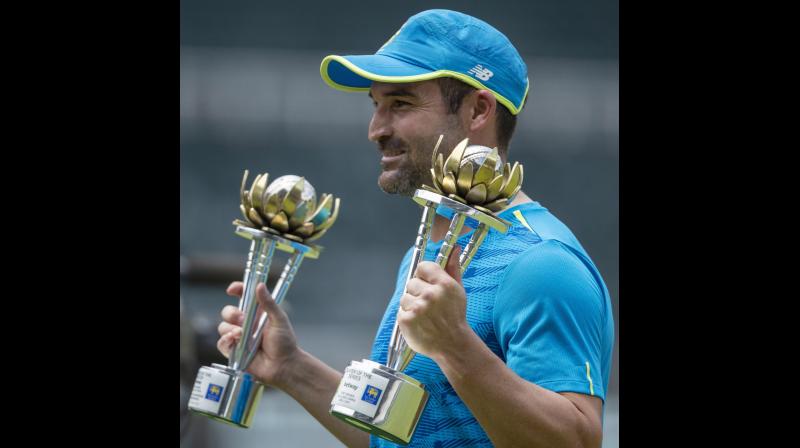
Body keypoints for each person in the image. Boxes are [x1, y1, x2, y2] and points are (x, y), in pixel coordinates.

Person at [216, 9, 614, 448]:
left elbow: (576, 441)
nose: (376, 129)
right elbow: (402, 435)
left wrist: (455, 346)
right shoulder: (429, 251)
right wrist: (292, 367)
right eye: (376, 105)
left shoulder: (541, 264)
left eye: (401, 104)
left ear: (478, 109)